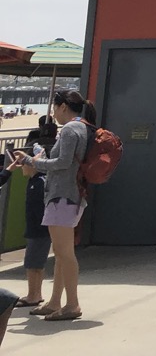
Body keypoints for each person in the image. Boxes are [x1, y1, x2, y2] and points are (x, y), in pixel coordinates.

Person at [14, 89, 92, 320]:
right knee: (60, 253)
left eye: (54, 108)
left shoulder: (69, 129)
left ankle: (72, 304)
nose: (53, 113)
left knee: (64, 254)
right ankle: (56, 301)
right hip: (71, 196)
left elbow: (63, 163)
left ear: (63, 107)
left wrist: (31, 160)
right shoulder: (82, 127)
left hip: (62, 196)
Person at [15, 119, 58, 308]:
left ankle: (33, 294)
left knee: (32, 263)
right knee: (36, 263)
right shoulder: (37, 180)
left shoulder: (39, 182)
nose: (22, 166)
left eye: (24, 163)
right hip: (38, 228)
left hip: (38, 229)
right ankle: (36, 293)